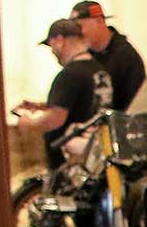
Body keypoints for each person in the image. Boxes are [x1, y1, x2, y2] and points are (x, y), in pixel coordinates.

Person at [10, 18, 113, 169]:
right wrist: (43, 106)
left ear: (59, 41)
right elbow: (84, 104)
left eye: (51, 45)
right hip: (97, 157)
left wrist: (28, 123)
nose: (52, 52)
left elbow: (55, 119)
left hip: (72, 166)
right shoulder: (100, 70)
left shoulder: (69, 75)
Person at [69, 0, 147, 110]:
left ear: (99, 21)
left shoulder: (126, 56)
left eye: (79, 26)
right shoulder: (84, 56)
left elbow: (135, 102)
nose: (77, 33)